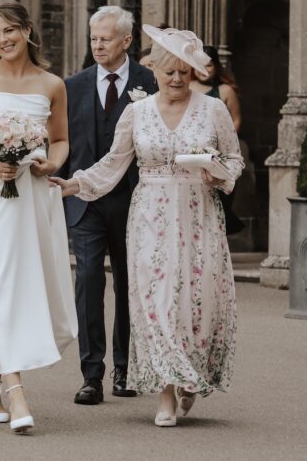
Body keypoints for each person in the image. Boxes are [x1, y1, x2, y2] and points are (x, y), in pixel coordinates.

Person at [51, 25, 244, 428]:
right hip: (150, 217)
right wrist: (76, 183)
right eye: (169, 71)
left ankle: (190, 377)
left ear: (193, 74)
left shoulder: (213, 110)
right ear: (153, 69)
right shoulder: (137, 111)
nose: (176, 79)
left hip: (198, 215)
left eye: (184, 73)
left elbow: (233, 159)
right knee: (157, 304)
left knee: (196, 302)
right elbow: (115, 162)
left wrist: (217, 174)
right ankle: (167, 394)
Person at [0, 2, 78, 434]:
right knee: (1, 278)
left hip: (31, 193)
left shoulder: (52, 84)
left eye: (10, 31)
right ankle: (17, 392)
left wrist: (51, 164)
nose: (2, 40)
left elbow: (59, 140)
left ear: (27, 31)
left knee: (6, 286)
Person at [58, 5, 158, 406]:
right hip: (85, 200)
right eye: (94, 38)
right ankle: (91, 375)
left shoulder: (150, 82)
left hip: (134, 200)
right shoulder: (72, 86)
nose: (98, 45)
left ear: (127, 41)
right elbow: (62, 141)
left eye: (106, 38)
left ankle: (125, 369)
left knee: (129, 286)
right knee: (88, 284)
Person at [190, 45, 245, 234]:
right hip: (191, 155)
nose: (204, 70)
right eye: (199, 65)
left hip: (219, 155)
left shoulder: (225, 91)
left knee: (220, 202)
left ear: (216, 67)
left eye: (209, 66)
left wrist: (223, 145)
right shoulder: (187, 89)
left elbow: (236, 119)